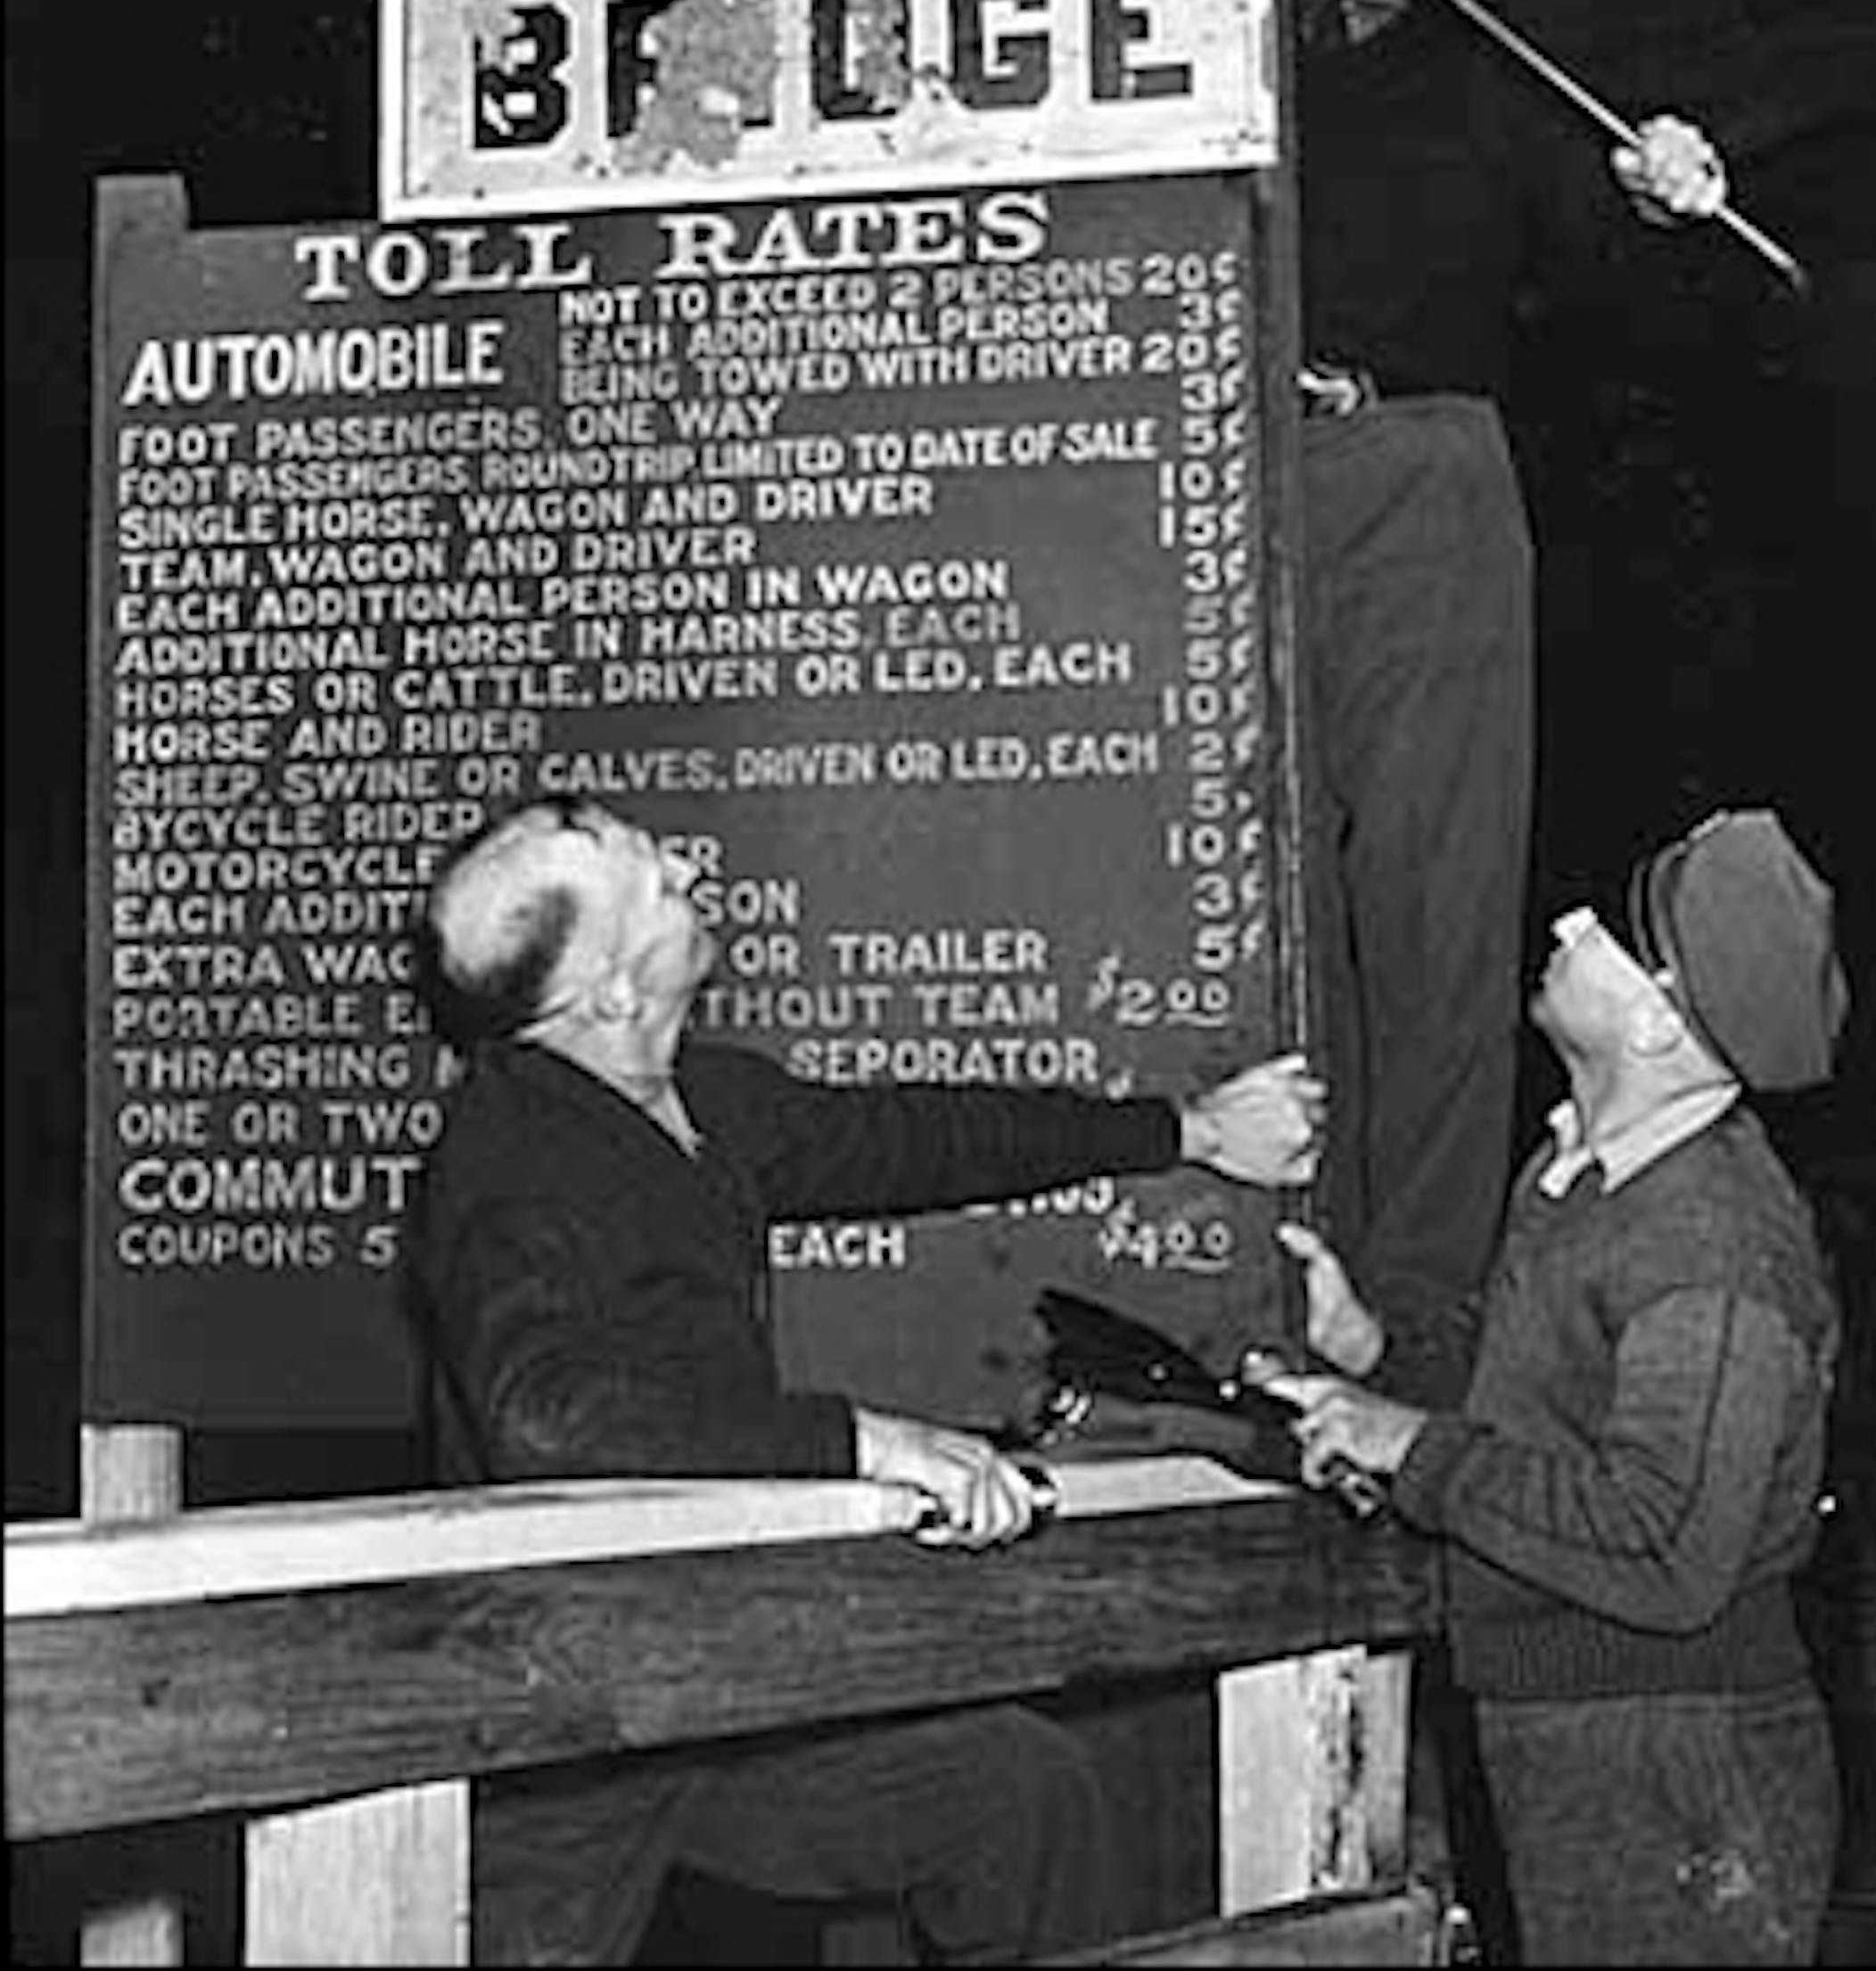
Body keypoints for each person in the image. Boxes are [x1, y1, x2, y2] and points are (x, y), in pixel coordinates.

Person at [406, 790, 1327, 1967]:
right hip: (569, 1719)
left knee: (1013, 1797)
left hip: (722, 1686)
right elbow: (551, 1414)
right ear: (610, 992)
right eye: (650, 873)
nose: (686, 863)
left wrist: (1184, 1132)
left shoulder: (703, 1100)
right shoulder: (507, 1162)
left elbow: (915, 1137)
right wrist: (866, 1442)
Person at [1286, 0, 1740, 1357]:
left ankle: (1407, 1316)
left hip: (1424, 484)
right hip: (1221, 473)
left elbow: (1634, 321)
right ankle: (1262, 1266)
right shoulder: (1208, 29)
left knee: (1429, 909)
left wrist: (1657, 199)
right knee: (1241, 881)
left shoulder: (1510, 75)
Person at [1245, 807, 1847, 1965]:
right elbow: (1544, 1380)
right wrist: (1379, 1356)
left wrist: (1411, 1448)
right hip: (1577, 1734)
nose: (1568, 924)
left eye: (1614, 930)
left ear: (1660, 1027)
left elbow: (1665, 1547)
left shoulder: (1712, 1240)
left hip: (1679, 1767)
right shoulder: (1587, 1168)